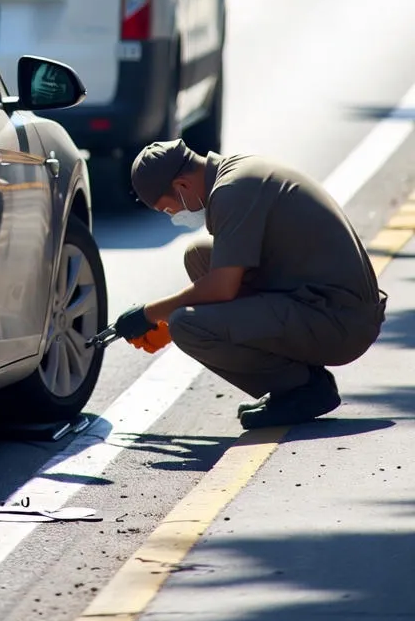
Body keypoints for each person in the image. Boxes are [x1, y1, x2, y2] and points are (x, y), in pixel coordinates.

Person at [115, 139, 387, 430]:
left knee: (186, 324)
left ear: (182, 186)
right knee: (199, 256)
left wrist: (150, 314)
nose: (174, 217)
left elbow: (222, 288)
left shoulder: (230, 193)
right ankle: (298, 379)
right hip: (329, 306)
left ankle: (303, 389)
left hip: (342, 324)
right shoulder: (236, 173)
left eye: (168, 210)